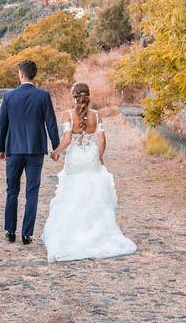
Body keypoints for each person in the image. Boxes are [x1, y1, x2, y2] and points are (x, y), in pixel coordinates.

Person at [41, 82, 137, 262]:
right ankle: (95, 232)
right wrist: (100, 156)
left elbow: (68, 139)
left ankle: (73, 232)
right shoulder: (97, 115)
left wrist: (56, 152)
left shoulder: (67, 115)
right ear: (88, 95)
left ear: (74, 96)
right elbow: (101, 139)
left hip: (75, 159)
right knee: (93, 194)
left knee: (73, 194)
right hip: (91, 157)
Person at [0, 59, 60, 244]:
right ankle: (26, 234)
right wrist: (55, 147)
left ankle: (10, 231)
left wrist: (1, 148)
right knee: (32, 192)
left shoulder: (9, 96)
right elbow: (51, 124)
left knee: (12, 191)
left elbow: (2, 126)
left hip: (13, 151)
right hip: (35, 150)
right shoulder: (43, 96)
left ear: (21, 74)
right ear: (33, 75)